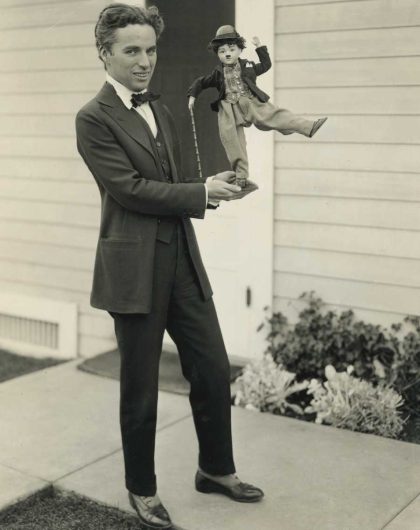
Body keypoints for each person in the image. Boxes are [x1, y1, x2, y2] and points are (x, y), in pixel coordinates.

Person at [75, 4, 264, 529]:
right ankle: (142, 488)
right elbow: (131, 190)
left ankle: (216, 469)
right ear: (105, 54)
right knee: (141, 387)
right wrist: (200, 192)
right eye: (131, 51)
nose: (145, 61)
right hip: (133, 268)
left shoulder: (160, 109)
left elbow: (175, 185)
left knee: (212, 366)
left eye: (151, 50)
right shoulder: (92, 118)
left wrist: (217, 186)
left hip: (181, 256)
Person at [188, 25, 328, 188]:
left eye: (232, 49)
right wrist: (192, 96)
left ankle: (308, 127)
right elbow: (201, 82)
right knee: (231, 140)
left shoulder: (249, 66)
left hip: (250, 102)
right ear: (218, 54)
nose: (227, 54)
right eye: (222, 51)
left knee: (276, 116)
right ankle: (241, 176)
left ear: (240, 50)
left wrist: (259, 47)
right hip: (229, 109)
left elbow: (266, 65)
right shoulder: (218, 73)